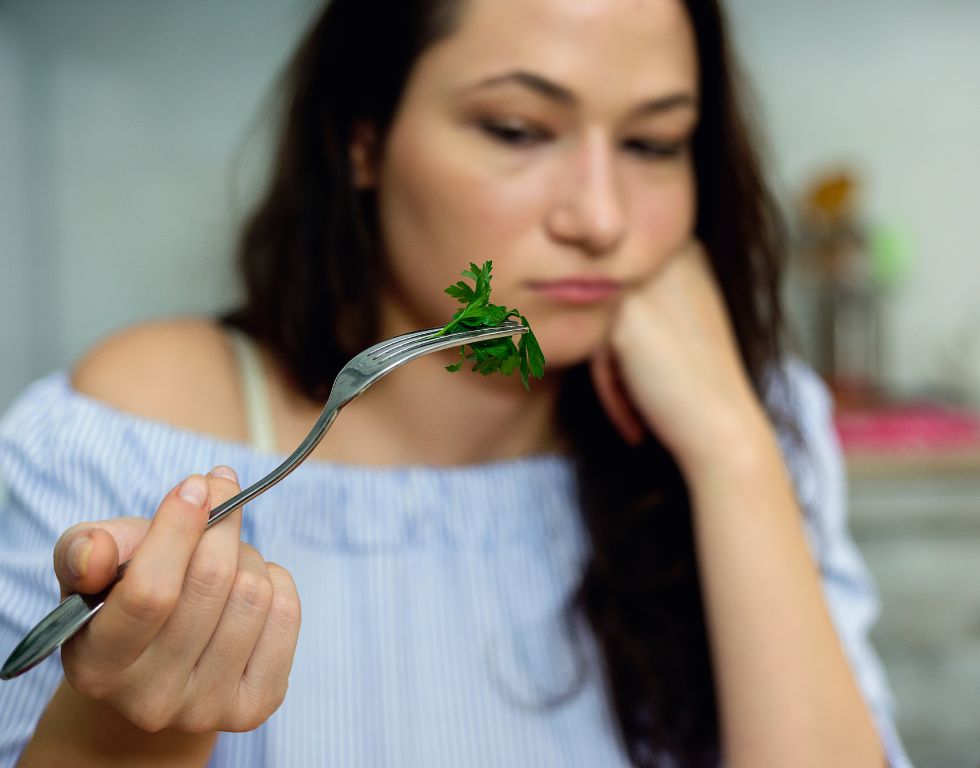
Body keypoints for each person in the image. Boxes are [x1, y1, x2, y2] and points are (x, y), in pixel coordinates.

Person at [0, 0, 911, 765]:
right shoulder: (124, 436)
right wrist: (120, 728)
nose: (600, 218)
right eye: (517, 130)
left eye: (654, 142)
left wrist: (731, 449)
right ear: (363, 139)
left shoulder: (760, 422)